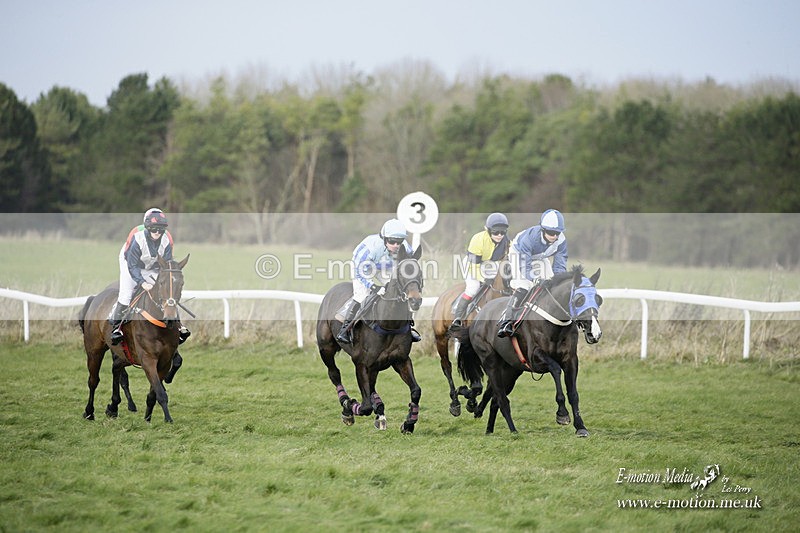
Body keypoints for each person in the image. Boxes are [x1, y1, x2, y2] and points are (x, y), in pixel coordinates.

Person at [108, 209, 190, 373]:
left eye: (160, 229)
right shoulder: (137, 239)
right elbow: (132, 266)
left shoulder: (167, 240)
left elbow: (165, 265)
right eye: (154, 229)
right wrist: (142, 282)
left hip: (152, 265)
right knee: (126, 293)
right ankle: (116, 328)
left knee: (166, 292)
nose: (157, 232)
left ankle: (178, 326)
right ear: (147, 228)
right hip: (130, 264)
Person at [336, 218, 422, 344]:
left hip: (384, 268)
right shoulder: (372, 248)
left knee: (399, 291)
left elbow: (409, 261)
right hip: (363, 268)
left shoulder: (404, 247)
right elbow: (360, 272)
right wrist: (373, 287)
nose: (396, 245)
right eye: (392, 241)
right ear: (385, 239)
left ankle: (408, 327)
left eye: (399, 242)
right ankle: (345, 330)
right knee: (362, 296)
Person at [497, 209, 568, 338]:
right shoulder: (529, 239)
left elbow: (560, 265)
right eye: (551, 232)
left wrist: (559, 280)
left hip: (540, 256)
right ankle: (506, 321)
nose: (554, 236)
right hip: (519, 254)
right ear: (542, 229)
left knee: (552, 285)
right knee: (525, 285)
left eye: (557, 233)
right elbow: (525, 267)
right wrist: (535, 279)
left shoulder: (561, 240)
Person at [450, 212, 510, 329]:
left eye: (503, 232)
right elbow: (474, 266)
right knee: (473, 287)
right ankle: (458, 317)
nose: (499, 235)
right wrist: (483, 279)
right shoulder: (477, 240)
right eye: (495, 232)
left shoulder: (506, 241)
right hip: (472, 264)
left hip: (490, 264)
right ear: (487, 230)